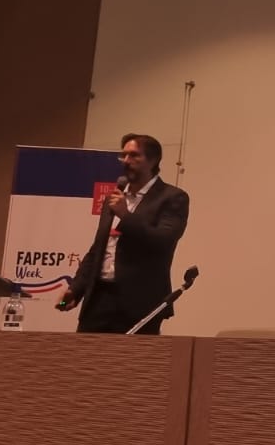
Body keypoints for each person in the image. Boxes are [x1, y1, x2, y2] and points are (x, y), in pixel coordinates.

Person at [56, 133, 190, 334]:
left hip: (139, 303)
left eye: (134, 155)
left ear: (153, 160)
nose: (126, 161)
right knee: (85, 354)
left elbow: (163, 241)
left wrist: (125, 216)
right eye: (124, 155)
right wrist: (75, 288)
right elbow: (99, 249)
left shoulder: (172, 197)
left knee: (133, 356)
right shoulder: (114, 197)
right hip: (99, 300)